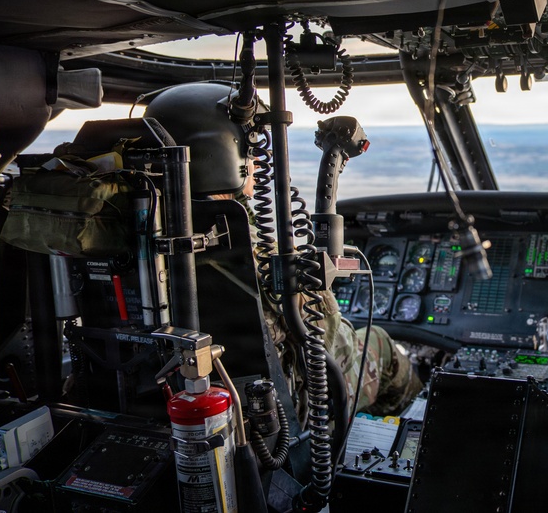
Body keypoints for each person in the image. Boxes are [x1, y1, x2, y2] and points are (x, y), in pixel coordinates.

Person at [145, 82, 422, 420]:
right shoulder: (239, 246)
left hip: (160, 397)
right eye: (251, 151)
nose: (259, 163)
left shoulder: (142, 233)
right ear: (224, 156)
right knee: (378, 341)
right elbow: (327, 345)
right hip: (277, 409)